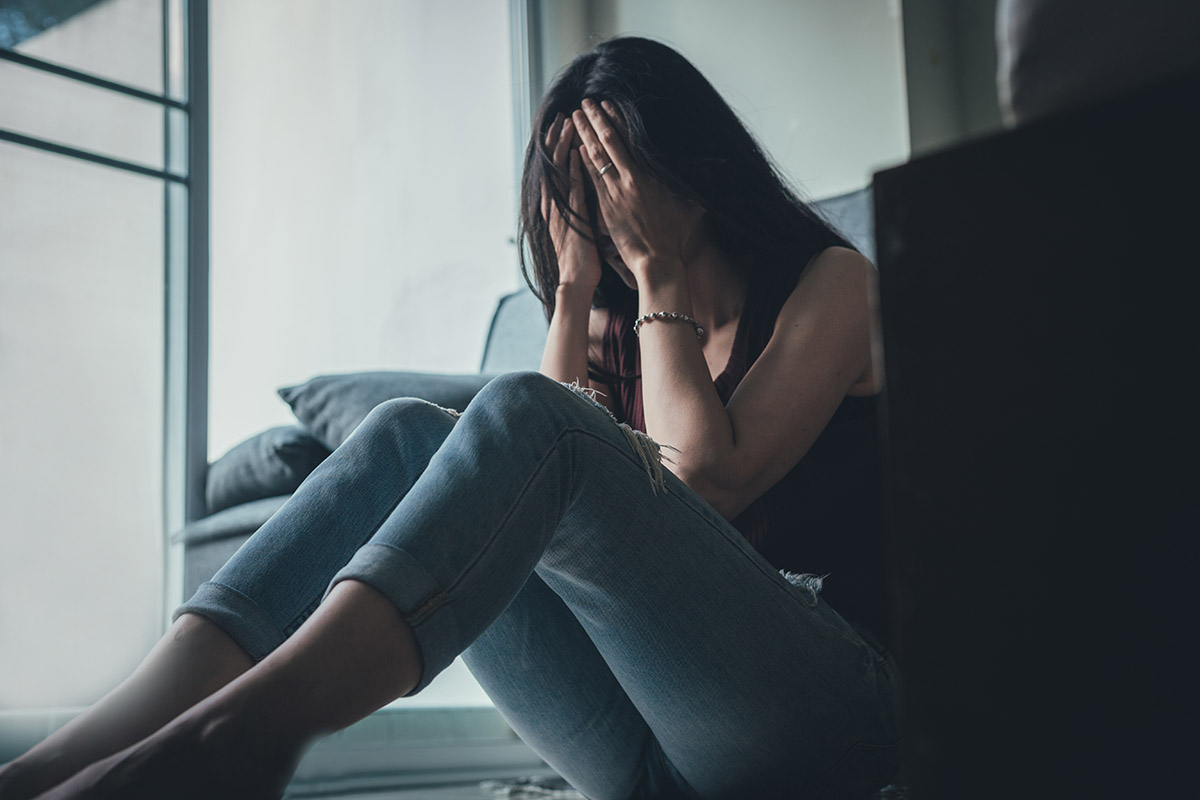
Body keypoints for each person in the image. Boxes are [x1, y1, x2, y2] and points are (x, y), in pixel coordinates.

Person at [0, 36, 899, 800]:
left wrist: (659, 273)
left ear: (688, 169)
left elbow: (707, 479)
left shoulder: (831, 283)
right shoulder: (610, 325)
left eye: (611, 174)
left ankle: (244, 734)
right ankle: (68, 759)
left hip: (818, 714)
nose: (594, 206)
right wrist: (575, 291)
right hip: (646, 758)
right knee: (404, 435)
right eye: (569, 186)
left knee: (519, 412)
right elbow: (542, 519)